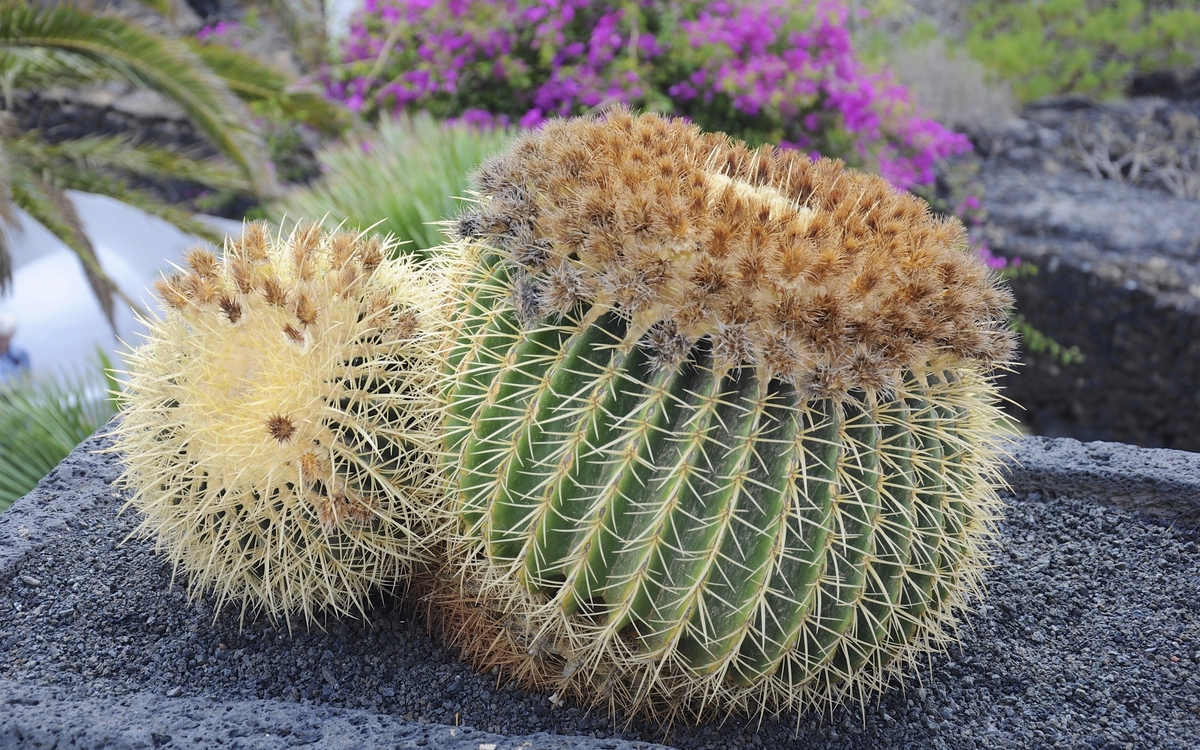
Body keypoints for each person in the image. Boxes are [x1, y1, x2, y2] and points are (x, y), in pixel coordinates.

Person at [0, 314, 30, 381]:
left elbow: (28, 378)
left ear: (11, 336)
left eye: (5, 337)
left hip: (17, 391)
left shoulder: (21, 354)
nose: (1, 341)